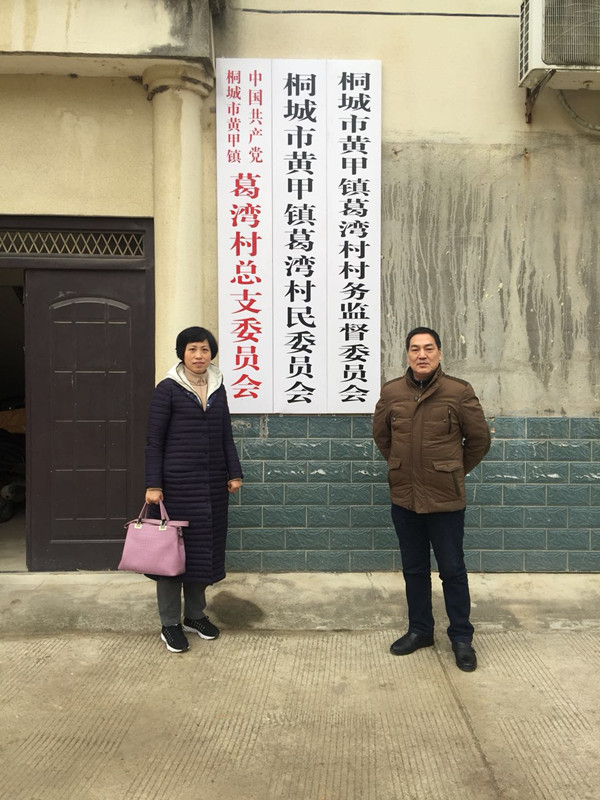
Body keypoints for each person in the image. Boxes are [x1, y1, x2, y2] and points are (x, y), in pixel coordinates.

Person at [372, 327, 490, 672]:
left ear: (439, 352)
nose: (421, 355)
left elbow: (479, 440)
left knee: (452, 569)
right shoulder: (392, 392)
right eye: (414, 349)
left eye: (428, 348)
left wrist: (451, 471)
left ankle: (461, 637)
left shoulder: (459, 391)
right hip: (404, 497)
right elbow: (382, 435)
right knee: (414, 569)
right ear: (407, 354)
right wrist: (401, 466)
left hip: (445, 499)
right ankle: (420, 630)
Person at [145, 326, 243, 653]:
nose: (199, 356)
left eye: (204, 349)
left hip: (211, 486)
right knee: (170, 557)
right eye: (192, 349)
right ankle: (170, 624)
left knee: (202, 553)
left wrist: (234, 472)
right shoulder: (168, 389)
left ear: (211, 353)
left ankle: (195, 616)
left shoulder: (217, 386)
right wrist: (153, 484)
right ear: (182, 353)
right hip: (175, 487)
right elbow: (154, 440)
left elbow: (225, 434)